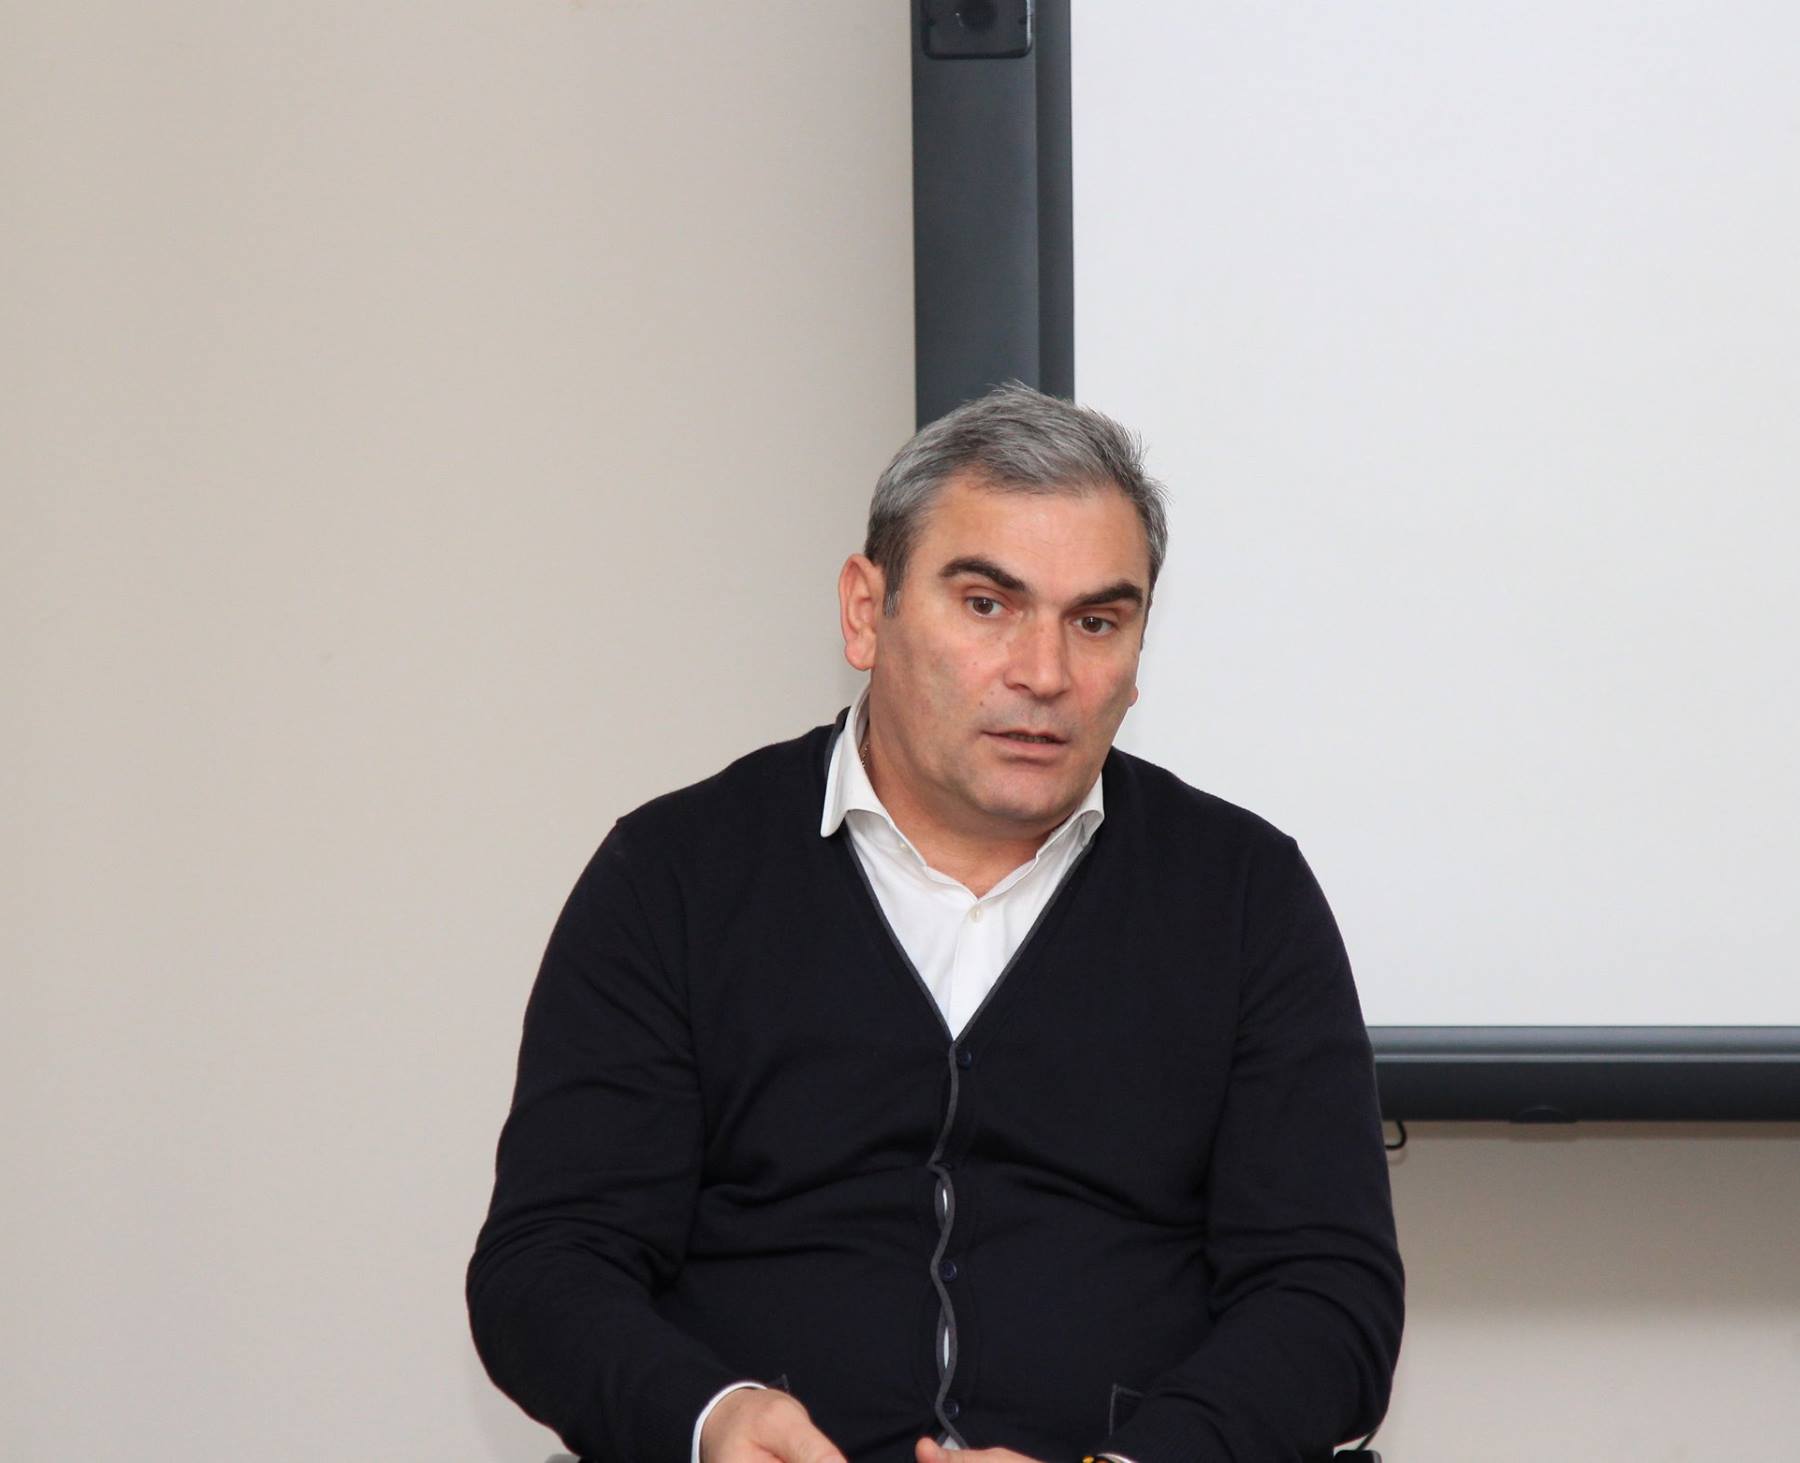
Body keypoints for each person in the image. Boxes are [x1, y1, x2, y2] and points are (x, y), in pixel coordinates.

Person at [467, 384, 1403, 1463]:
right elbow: (548, 1263)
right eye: (988, 605)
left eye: (1097, 621)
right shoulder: (673, 876)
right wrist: (709, 1415)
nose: (1045, 674)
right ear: (867, 611)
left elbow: (1327, 1295)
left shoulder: (1243, 894)